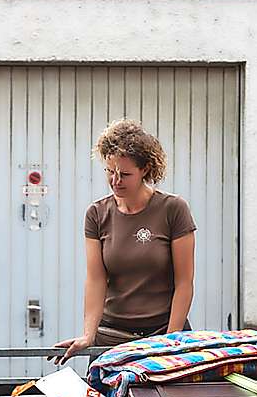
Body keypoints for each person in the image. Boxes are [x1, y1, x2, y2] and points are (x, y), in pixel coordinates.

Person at [53, 119, 196, 363]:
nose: (115, 181)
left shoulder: (173, 209)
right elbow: (96, 279)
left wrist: (171, 340)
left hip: (162, 335)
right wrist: (88, 335)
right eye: (110, 172)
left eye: (125, 174)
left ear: (146, 169)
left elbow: (184, 282)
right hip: (111, 338)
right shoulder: (97, 214)